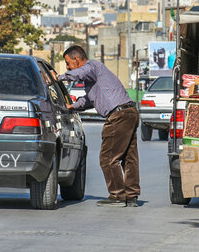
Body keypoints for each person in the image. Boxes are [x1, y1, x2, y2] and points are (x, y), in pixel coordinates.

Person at [57, 45, 140, 207]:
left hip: (118, 116)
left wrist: (59, 77)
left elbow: (79, 72)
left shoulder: (92, 67)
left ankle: (117, 195)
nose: (68, 67)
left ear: (76, 59)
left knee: (108, 157)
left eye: (68, 63)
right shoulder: (93, 78)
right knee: (129, 158)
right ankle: (131, 195)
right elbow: (89, 99)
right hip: (129, 112)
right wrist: (73, 106)